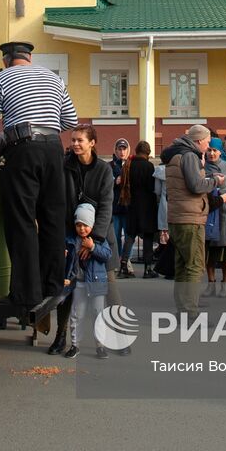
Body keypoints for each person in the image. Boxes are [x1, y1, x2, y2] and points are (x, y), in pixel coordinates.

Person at [0, 41, 79, 312]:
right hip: (53, 150)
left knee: (22, 220)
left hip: (22, 150)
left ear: (6, 60)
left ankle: (26, 294)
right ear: (30, 57)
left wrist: (2, 145)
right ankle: (53, 286)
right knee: (52, 218)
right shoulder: (54, 78)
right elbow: (71, 120)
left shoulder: (1, 79)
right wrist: (48, 129)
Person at [48, 125, 115, 356]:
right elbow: (57, 200)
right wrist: (63, 239)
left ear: (92, 143)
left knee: (109, 288)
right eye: (73, 140)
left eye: (80, 140)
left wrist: (92, 241)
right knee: (66, 289)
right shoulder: (65, 165)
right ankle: (60, 337)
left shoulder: (103, 169)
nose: (75, 144)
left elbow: (106, 206)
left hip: (99, 237)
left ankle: (115, 337)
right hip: (69, 236)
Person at [161, 124, 223, 313]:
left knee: (182, 266)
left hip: (177, 216)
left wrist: (207, 176)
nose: (208, 146)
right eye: (207, 141)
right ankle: (190, 312)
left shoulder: (176, 154)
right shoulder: (189, 156)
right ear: (198, 140)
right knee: (195, 266)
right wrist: (215, 181)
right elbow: (196, 185)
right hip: (190, 218)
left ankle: (183, 308)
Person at [61, 203, 112, 359]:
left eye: (85, 225)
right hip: (78, 283)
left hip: (97, 283)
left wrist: (93, 247)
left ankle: (100, 346)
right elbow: (69, 260)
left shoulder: (98, 240)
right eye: (78, 225)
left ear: (92, 225)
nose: (82, 229)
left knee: (98, 314)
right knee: (77, 314)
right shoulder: (71, 240)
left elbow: (107, 255)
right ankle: (75, 345)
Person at [203, 139, 226, 297]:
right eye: (209, 150)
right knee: (209, 253)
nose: (212, 153)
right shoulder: (202, 167)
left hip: (224, 212)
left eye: (214, 150)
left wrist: (225, 193)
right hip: (208, 212)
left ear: (220, 151)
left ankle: (225, 285)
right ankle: (211, 283)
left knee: (224, 252)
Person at [125, 141, 160, 278]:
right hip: (147, 205)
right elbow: (152, 187)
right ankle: (147, 268)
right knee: (148, 237)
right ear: (148, 152)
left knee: (130, 235)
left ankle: (123, 265)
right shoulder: (149, 166)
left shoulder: (129, 165)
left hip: (132, 204)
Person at [110, 138, 132, 276]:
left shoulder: (131, 165)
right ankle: (117, 261)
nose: (122, 152)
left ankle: (126, 260)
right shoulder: (110, 166)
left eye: (124, 149)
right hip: (115, 207)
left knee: (129, 236)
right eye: (119, 149)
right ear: (116, 150)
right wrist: (115, 182)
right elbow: (106, 184)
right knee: (116, 236)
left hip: (128, 207)